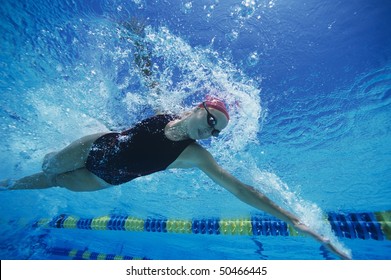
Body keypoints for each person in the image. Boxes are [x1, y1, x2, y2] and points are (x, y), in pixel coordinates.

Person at [1, 97, 350, 259]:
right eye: (212, 120)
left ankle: (7, 184)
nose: (210, 130)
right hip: (94, 146)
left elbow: (240, 189)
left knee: (59, 182)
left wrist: (296, 222)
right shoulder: (164, 109)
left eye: (216, 131)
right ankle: (23, 156)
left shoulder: (195, 155)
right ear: (201, 107)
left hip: (105, 179)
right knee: (49, 166)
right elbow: (150, 74)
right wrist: (138, 43)